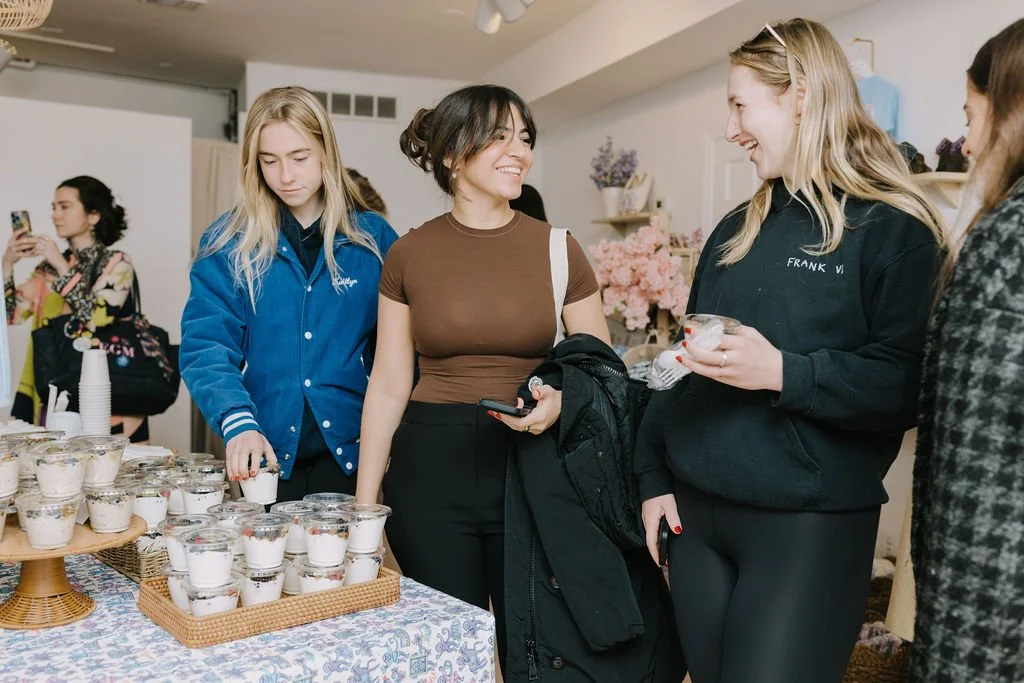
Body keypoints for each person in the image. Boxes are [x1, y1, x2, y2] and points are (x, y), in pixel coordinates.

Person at [634, 19, 946, 683]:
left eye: (740, 105)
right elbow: (683, 364)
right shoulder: (733, 229)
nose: (731, 130)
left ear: (800, 96)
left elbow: (907, 383)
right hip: (696, 519)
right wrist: (651, 476)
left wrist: (781, 371)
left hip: (806, 526)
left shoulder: (894, 229)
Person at [357, 85, 681, 680]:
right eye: (499, 136)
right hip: (430, 472)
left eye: (525, 138)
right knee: (445, 650)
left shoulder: (559, 249)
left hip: (532, 466)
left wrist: (562, 399)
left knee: (539, 651)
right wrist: (365, 505)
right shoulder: (407, 254)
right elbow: (387, 383)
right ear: (452, 155)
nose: (519, 152)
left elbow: (601, 373)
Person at [180, 86, 398, 500]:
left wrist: (403, 433)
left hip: (357, 453)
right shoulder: (228, 241)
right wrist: (238, 421)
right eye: (270, 161)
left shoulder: (374, 240)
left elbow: (406, 350)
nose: (286, 176)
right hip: (265, 454)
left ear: (326, 154)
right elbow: (206, 344)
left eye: (299, 158)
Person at [911, 19, 1024, 683]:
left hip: (990, 578)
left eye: (972, 115)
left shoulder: (1004, 239)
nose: (970, 139)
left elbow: (972, 438)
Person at [3, 176, 154, 442]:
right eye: (53, 207)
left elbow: (98, 317)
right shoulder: (45, 270)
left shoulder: (116, 263)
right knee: (57, 474)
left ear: (93, 215)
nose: (54, 215)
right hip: (54, 392)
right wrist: (7, 264)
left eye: (64, 206)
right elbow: (10, 315)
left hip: (109, 397)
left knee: (110, 475)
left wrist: (61, 265)